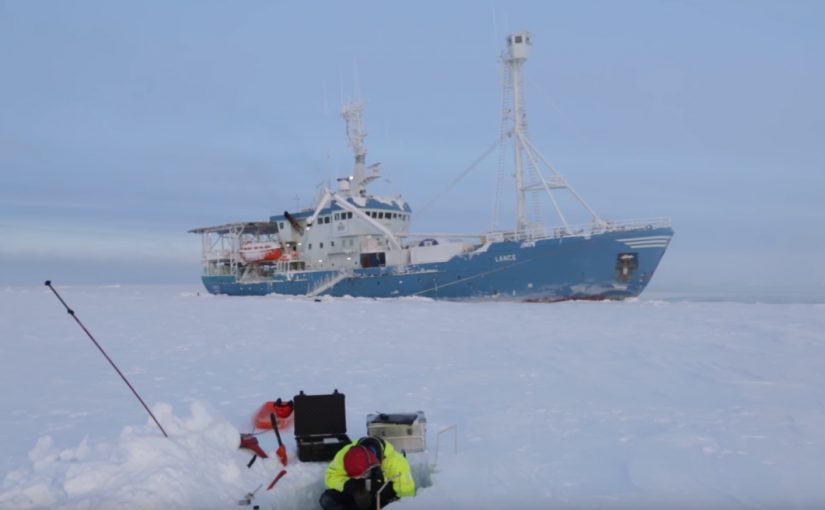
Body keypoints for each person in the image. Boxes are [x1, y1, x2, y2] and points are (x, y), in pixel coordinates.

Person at [320, 437, 416, 510]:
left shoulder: (397, 462)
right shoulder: (344, 455)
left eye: (363, 475)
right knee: (327, 500)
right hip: (357, 499)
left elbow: (407, 495)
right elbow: (331, 476)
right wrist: (353, 487)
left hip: (384, 502)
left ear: (373, 465)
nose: (361, 477)